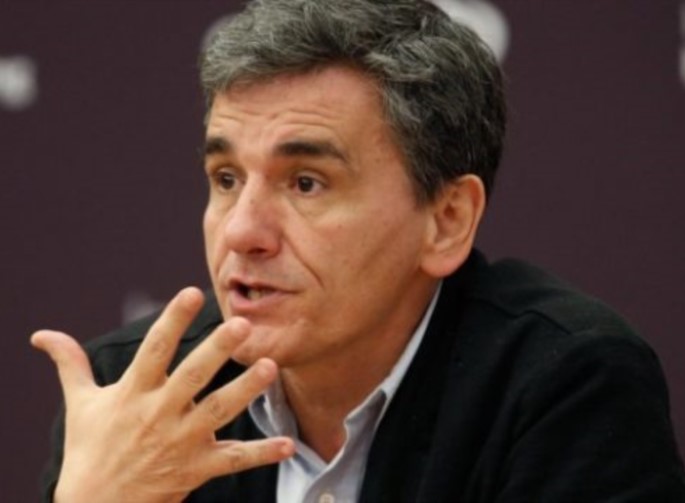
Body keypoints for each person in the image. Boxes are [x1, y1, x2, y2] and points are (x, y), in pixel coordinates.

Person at [34, 0, 685, 501]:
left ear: (447, 220)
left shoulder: (561, 386)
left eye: (306, 183)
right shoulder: (137, 397)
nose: (241, 231)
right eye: (226, 179)